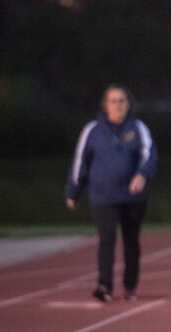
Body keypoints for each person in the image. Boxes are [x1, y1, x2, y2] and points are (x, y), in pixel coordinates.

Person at [65, 84, 158, 303]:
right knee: (106, 239)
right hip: (103, 196)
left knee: (131, 241)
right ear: (105, 105)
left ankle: (130, 285)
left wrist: (142, 175)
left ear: (129, 104)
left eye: (122, 101)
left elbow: (150, 155)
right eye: (113, 101)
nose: (117, 105)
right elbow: (80, 162)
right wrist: (73, 190)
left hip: (132, 198)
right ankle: (104, 285)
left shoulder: (138, 128)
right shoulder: (92, 131)